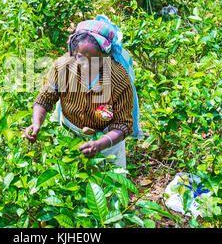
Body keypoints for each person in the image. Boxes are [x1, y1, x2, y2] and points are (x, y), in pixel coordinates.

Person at [24, 16, 143, 169]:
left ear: (106, 56)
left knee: (110, 186)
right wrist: (36, 123)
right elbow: (45, 98)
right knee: (69, 179)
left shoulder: (118, 78)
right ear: (74, 52)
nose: (86, 65)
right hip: (69, 134)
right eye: (81, 57)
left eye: (95, 60)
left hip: (107, 140)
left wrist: (100, 144)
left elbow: (122, 124)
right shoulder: (63, 67)